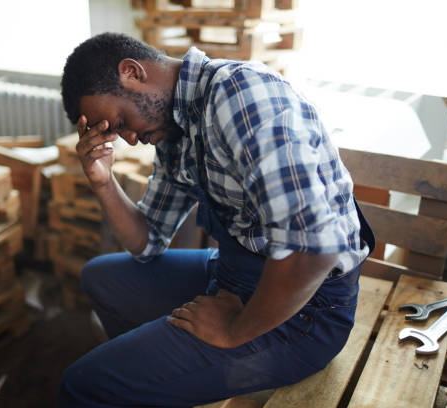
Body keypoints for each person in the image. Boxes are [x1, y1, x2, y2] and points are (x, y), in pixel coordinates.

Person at [58, 32, 374, 407]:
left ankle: (159, 375)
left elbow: (313, 251)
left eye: (121, 121)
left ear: (132, 73)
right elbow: (148, 242)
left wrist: (233, 331)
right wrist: (103, 181)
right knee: (100, 277)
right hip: (235, 275)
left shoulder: (239, 94)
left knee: (82, 385)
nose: (128, 138)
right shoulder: (175, 129)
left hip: (307, 312)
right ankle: (159, 379)